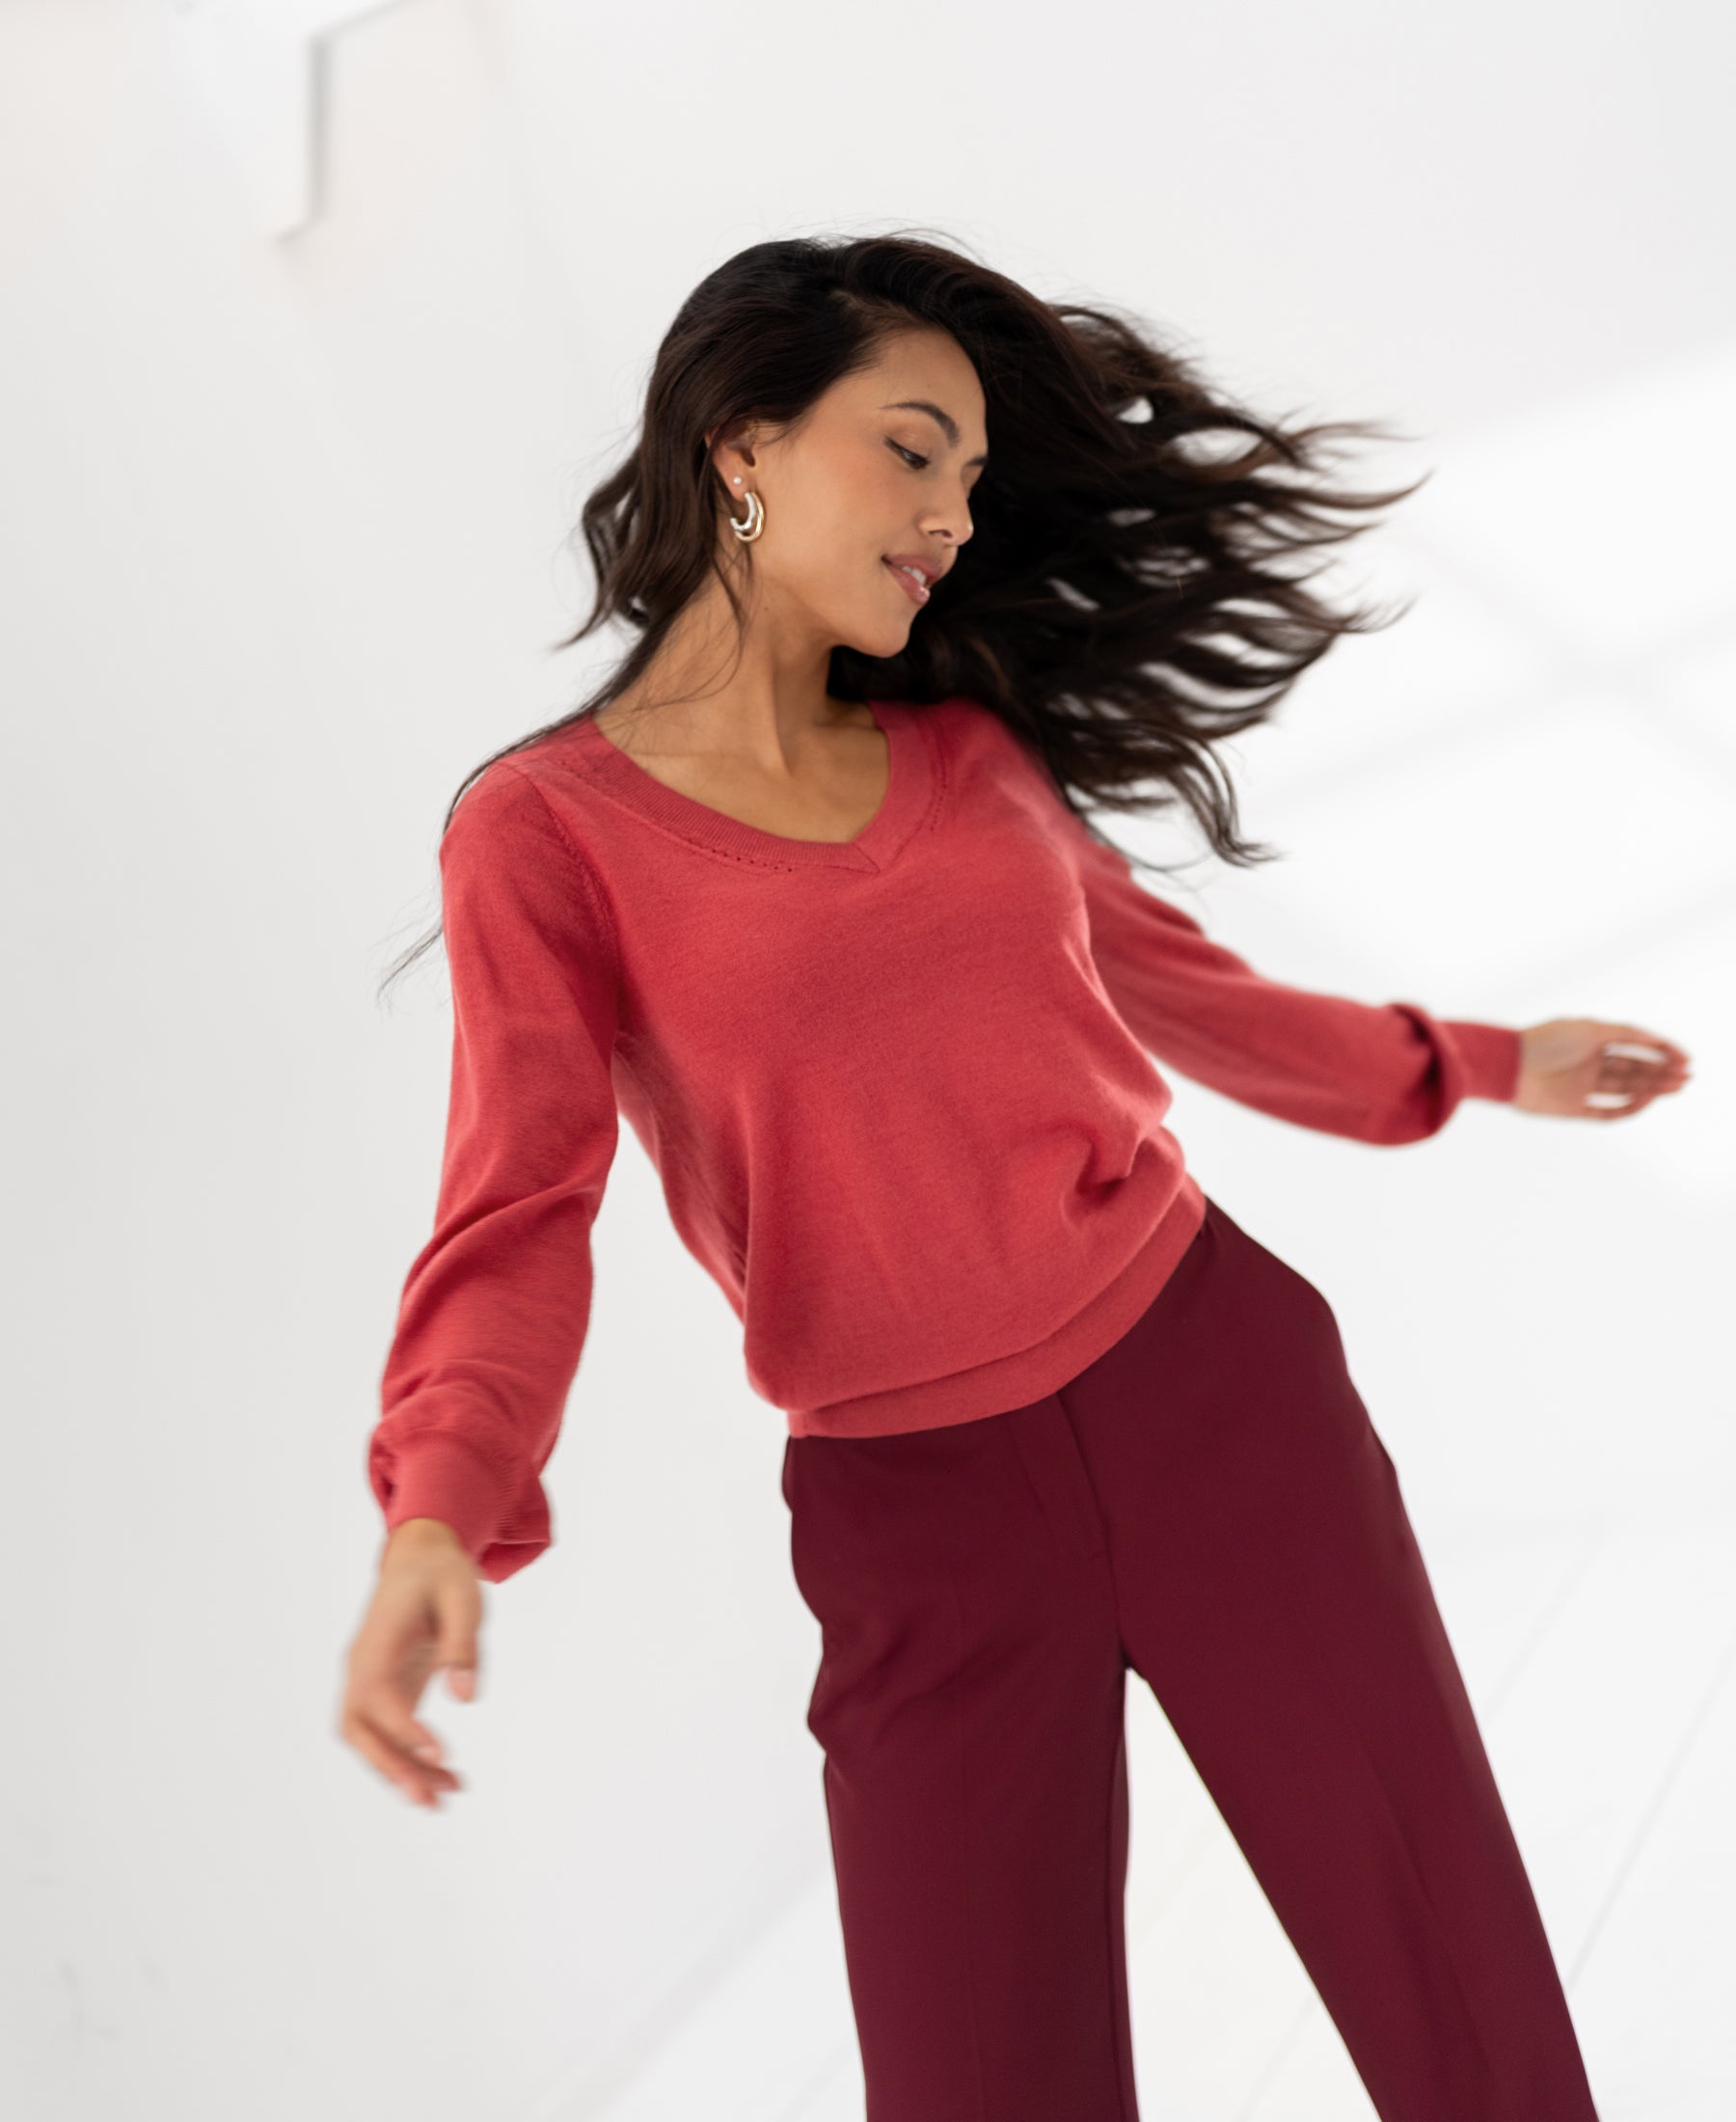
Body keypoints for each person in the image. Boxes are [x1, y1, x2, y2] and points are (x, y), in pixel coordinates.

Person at [337, 232, 1689, 2120]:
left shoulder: (965, 755)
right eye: (912, 451)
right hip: (921, 1521)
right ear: (743, 445)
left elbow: (1185, 992)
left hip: (1217, 1391)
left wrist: (1471, 1061)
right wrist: (435, 1509)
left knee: (1455, 1988)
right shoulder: (545, 836)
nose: (953, 515)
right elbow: (518, 1205)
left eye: (971, 475)